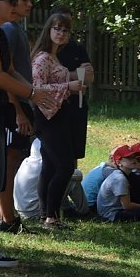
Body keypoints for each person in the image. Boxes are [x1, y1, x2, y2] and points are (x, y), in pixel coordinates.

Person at [0, 0, 54, 267]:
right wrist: (32, 93)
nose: (16, 5)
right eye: (10, 0)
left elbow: (9, 70)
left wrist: (36, 95)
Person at [31, 13, 86, 230]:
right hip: (47, 117)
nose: (61, 33)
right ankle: (51, 217)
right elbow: (35, 90)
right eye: (57, 28)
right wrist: (68, 87)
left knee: (50, 166)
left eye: (65, 30)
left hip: (59, 113)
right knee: (64, 167)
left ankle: (46, 214)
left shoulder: (56, 57)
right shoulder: (42, 58)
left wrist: (75, 84)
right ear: (49, 30)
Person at [0, 0, 35, 233]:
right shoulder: (8, 29)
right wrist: (17, 110)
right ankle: (7, 219)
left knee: (12, 159)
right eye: (23, 0)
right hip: (13, 106)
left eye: (30, 0)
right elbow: (3, 74)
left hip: (22, 103)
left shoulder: (16, 28)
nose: (29, 5)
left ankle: (1, 215)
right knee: (9, 162)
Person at [51, 5, 94, 163]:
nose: (62, 32)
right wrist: (75, 75)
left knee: (74, 153)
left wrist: (79, 76)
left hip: (77, 106)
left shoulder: (77, 47)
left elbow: (89, 77)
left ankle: (72, 184)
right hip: (54, 107)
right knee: (56, 157)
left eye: (67, 26)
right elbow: (47, 78)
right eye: (59, 27)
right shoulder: (47, 51)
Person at [14, 138, 88, 220]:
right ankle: (84, 212)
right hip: (35, 212)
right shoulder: (45, 166)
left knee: (58, 182)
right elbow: (78, 175)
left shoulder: (26, 161)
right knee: (72, 180)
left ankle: (66, 207)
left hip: (22, 210)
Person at [96, 145, 140, 223]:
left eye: (134, 157)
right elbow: (127, 206)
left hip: (116, 210)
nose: (134, 160)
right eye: (129, 158)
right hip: (111, 215)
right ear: (119, 162)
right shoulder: (119, 178)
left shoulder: (124, 175)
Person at [80, 146, 120, 214]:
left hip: (82, 202)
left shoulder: (102, 166)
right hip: (90, 206)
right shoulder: (110, 172)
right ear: (112, 158)